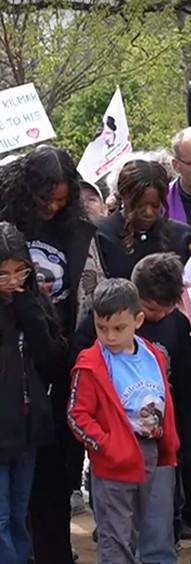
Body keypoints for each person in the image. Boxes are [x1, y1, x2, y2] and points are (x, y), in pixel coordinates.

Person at [0, 145, 104, 564]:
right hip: (11, 364)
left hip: (57, 358)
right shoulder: (8, 224)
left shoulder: (77, 231)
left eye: (61, 200)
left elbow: (91, 293)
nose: (52, 207)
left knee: (53, 478)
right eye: (45, 199)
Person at [73, 254, 191, 563]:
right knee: (117, 540)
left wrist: (171, 445)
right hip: (113, 459)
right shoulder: (92, 359)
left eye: (119, 328)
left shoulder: (157, 352)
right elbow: (78, 413)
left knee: (158, 537)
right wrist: (106, 446)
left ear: (137, 321)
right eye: (103, 328)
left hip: (157, 454)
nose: (110, 336)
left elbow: (176, 396)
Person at [0, 222, 67, 564]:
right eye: (3, 274)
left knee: (20, 514)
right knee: (0, 519)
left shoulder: (33, 303)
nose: (12, 281)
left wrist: (28, 308)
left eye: (19, 271)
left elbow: (53, 358)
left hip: (28, 427)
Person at [96, 159, 191, 279]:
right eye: (139, 206)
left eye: (155, 206)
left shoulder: (181, 235)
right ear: (123, 196)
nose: (148, 213)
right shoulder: (99, 234)